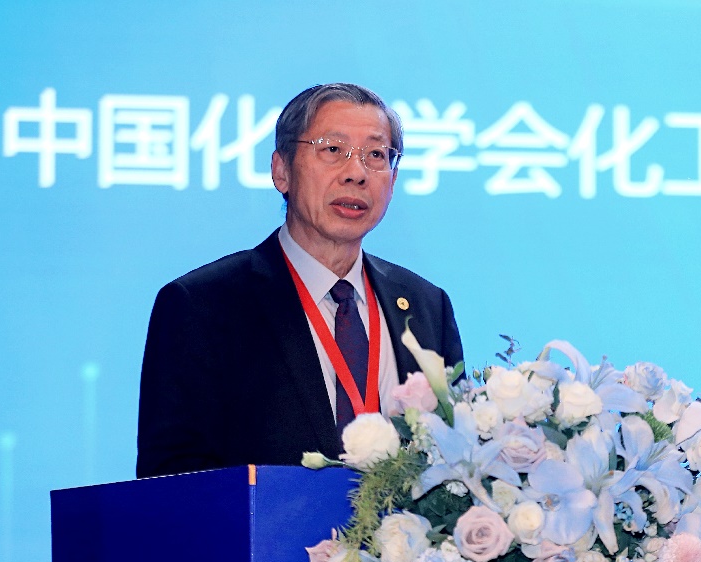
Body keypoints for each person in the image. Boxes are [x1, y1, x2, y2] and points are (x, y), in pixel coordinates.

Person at [136, 83, 463, 479]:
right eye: (333, 150)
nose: (356, 173)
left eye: (376, 155)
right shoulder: (203, 306)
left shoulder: (427, 305)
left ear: (392, 181)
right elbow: (171, 481)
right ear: (281, 171)